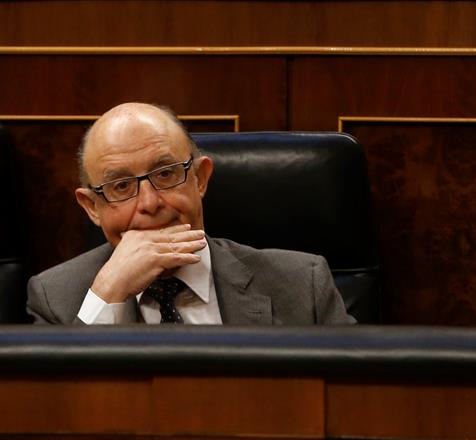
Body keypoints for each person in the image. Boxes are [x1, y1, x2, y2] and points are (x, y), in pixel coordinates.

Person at [26, 102, 355, 325]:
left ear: (200, 178)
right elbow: (58, 416)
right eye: (122, 187)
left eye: (166, 174)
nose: (150, 203)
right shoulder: (56, 298)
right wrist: (108, 295)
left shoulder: (301, 285)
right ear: (92, 207)